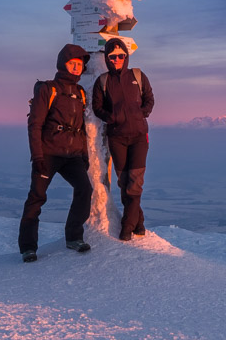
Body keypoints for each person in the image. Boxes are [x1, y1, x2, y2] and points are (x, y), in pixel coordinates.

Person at [18, 43, 93, 262]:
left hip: (73, 156)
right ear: (63, 64)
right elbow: (35, 125)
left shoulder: (80, 93)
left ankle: (73, 237)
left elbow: (82, 129)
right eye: (73, 63)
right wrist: (37, 156)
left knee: (84, 189)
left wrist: (84, 155)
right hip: (48, 154)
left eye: (80, 64)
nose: (77, 67)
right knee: (37, 198)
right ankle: (28, 247)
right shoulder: (48, 89)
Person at [92, 37, 154, 241]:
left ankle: (127, 227)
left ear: (125, 56)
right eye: (113, 56)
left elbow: (150, 99)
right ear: (107, 58)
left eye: (121, 55)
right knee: (124, 181)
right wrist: (112, 117)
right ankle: (140, 223)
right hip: (117, 137)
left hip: (138, 137)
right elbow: (97, 107)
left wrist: (141, 113)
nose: (117, 59)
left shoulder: (138, 75)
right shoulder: (103, 81)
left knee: (135, 182)